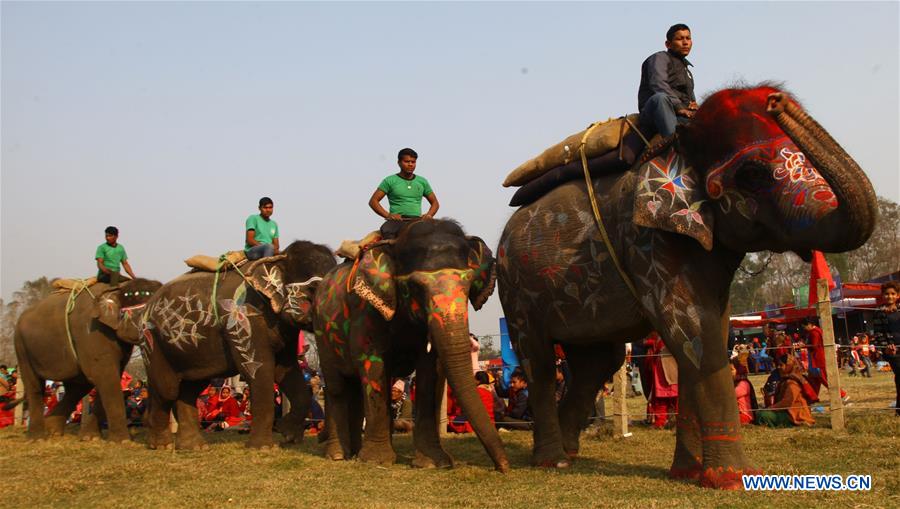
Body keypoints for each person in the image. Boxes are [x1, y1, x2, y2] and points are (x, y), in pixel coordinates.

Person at [638, 23, 697, 138]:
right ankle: (672, 141)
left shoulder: (687, 70)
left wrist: (693, 106)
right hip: (655, 111)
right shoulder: (659, 58)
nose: (685, 42)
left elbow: (691, 99)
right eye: (680, 39)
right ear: (668, 44)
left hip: (679, 115)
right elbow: (658, 84)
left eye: (688, 38)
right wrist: (679, 107)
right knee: (660, 98)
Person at [368, 148, 439, 237]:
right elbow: (373, 201)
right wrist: (388, 215)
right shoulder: (389, 180)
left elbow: (435, 203)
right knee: (387, 230)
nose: (410, 164)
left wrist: (429, 215)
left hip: (417, 221)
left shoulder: (422, 181)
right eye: (407, 161)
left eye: (413, 162)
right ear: (399, 162)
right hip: (397, 222)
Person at [756, 356, 816, 427]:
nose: (779, 367)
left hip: (796, 415)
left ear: (789, 366)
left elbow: (787, 403)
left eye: (781, 365)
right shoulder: (785, 380)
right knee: (760, 413)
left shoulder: (792, 383)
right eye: (778, 365)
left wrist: (771, 408)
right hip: (787, 412)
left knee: (763, 415)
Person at [802, 318, 848, 402]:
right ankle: (812, 399)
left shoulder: (814, 333)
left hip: (817, 360)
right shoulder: (818, 331)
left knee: (825, 380)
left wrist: (803, 346)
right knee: (814, 381)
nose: (804, 328)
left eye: (804, 326)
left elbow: (814, 346)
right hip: (817, 360)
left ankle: (842, 395)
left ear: (809, 324)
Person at [872, 281, 900, 416]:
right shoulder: (878, 312)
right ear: (883, 295)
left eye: (893, 294)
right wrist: (886, 347)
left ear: (898, 295)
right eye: (887, 294)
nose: (890, 296)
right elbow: (878, 333)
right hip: (892, 350)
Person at [245, 197, 280, 261]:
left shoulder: (274, 224)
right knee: (268, 247)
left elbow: (276, 245)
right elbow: (250, 240)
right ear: (259, 208)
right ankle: (266, 265)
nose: (268, 210)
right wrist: (266, 247)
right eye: (265, 208)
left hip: (269, 250)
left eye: (270, 207)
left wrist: (273, 250)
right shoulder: (253, 218)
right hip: (253, 251)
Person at [731, 360, 758, 425]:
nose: (729, 372)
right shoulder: (735, 383)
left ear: (738, 370)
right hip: (737, 415)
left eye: (731, 369)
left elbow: (730, 395)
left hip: (745, 416)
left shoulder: (744, 384)